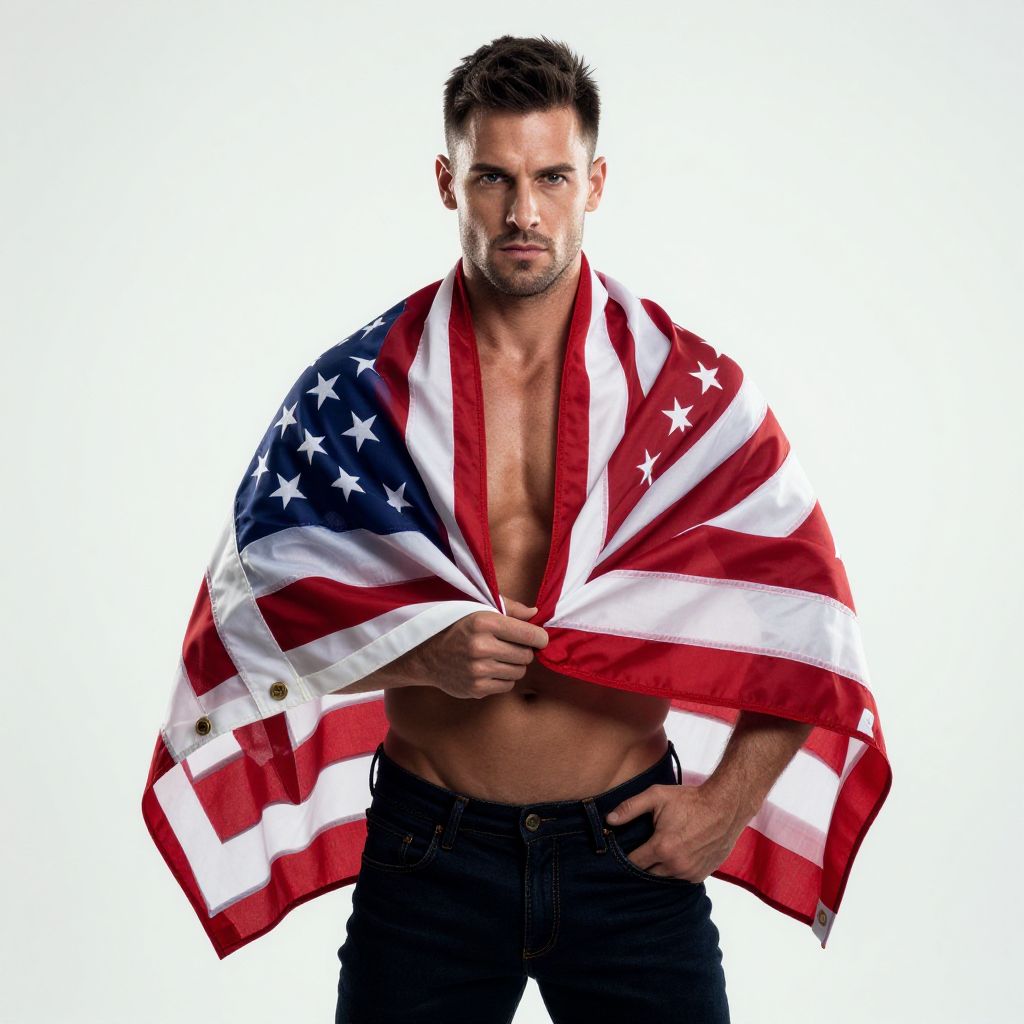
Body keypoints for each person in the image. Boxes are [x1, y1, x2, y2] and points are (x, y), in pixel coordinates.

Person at [334, 34, 812, 1024]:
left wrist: (723, 807)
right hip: (431, 854)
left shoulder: (685, 395)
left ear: (594, 180)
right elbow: (267, 631)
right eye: (492, 178)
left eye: (551, 176)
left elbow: (808, 625)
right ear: (445, 182)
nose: (523, 211)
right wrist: (422, 652)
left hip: (628, 850)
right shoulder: (364, 393)